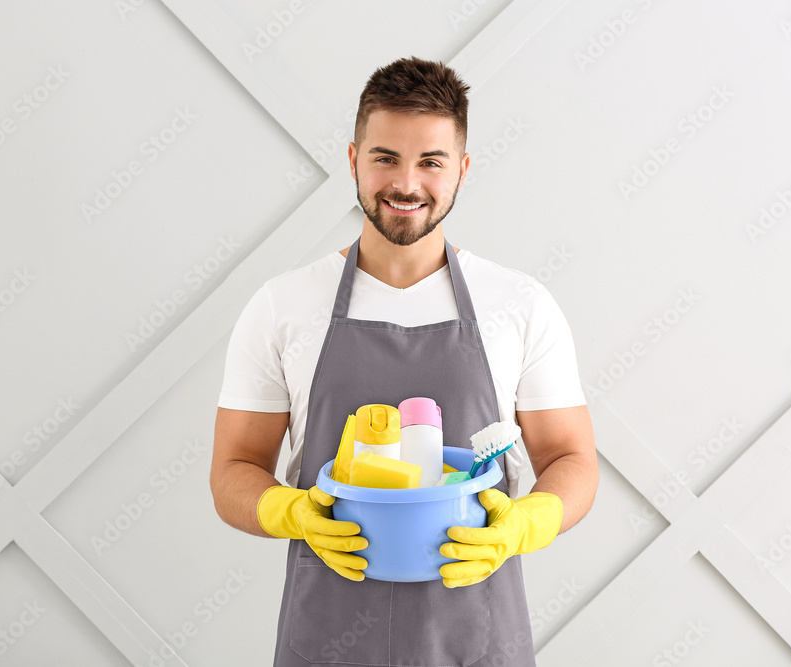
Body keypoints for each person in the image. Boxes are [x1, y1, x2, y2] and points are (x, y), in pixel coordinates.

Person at [210, 56, 598, 666]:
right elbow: (233, 468)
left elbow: (571, 458)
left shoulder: (519, 305)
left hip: (479, 641)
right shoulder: (283, 305)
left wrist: (526, 524)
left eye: (431, 162)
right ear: (353, 159)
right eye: (385, 157)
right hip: (328, 642)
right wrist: (290, 512)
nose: (406, 183)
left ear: (462, 169)